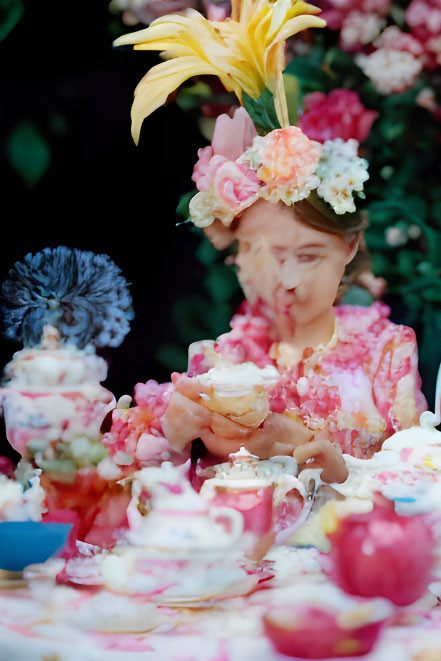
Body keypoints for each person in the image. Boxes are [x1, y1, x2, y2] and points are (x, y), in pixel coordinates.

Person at [106, 0, 422, 488]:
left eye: (309, 255)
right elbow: (131, 491)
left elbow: (424, 474)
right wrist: (172, 438)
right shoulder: (219, 362)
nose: (287, 281)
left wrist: (343, 474)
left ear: (351, 245)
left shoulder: (384, 352)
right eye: (267, 257)